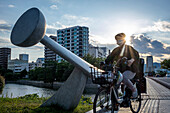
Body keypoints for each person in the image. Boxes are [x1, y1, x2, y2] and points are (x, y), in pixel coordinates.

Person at [105, 33, 140, 98]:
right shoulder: (116, 50)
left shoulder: (129, 48)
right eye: (117, 40)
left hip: (130, 69)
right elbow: (109, 58)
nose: (118, 41)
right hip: (119, 70)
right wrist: (105, 63)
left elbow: (136, 55)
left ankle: (134, 89)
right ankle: (115, 101)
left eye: (120, 39)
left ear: (124, 40)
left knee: (123, 77)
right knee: (111, 80)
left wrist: (132, 60)